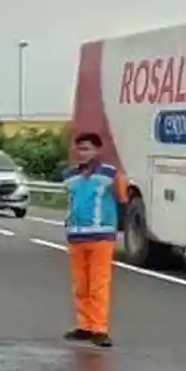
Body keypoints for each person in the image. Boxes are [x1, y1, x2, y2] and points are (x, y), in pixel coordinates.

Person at [63, 131, 127, 348]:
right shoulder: (70, 176)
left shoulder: (110, 174)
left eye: (87, 148)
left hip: (101, 236)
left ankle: (99, 329)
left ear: (97, 150)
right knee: (80, 285)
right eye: (79, 148)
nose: (83, 153)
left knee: (98, 284)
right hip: (76, 236)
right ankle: (85, 326)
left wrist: (119, 227)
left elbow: (122, 198)